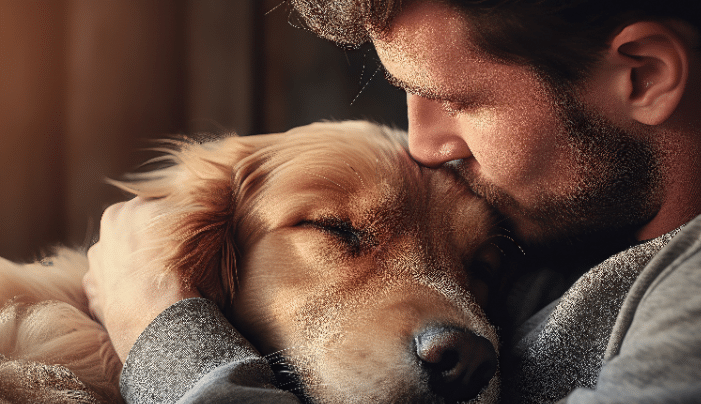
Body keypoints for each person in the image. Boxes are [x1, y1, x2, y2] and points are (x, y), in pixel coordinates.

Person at [83, 0, 701, 402]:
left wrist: (158, 333)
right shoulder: (554, 221)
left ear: (643, 76)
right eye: (342, 232)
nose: (427, 147)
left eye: (460, 101)